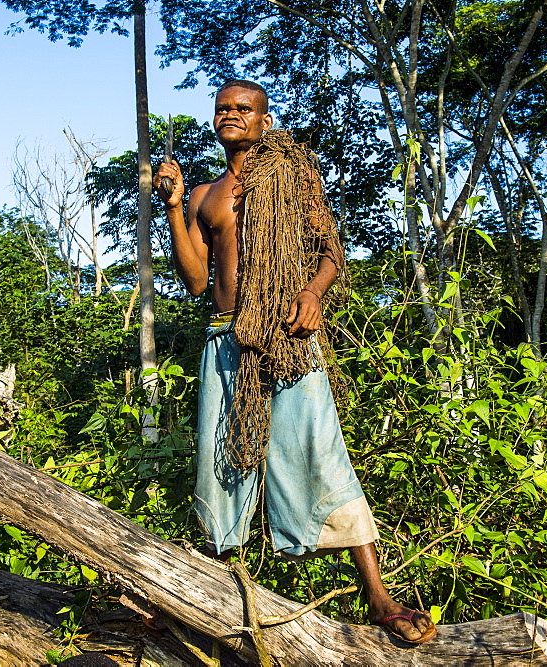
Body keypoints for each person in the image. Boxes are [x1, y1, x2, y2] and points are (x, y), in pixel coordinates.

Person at [152, 79, 436, 644]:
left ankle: (377, 594)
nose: (231, 115)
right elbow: (191, 280)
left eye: (244, 109)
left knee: (319, 449)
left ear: (263, 119)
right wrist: (173, 204)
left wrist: (312, 293)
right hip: (224, 340)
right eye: (223, 109)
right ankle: (213, 599)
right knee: (220, 461)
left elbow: (332, 248)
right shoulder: (207, 193)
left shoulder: (294, 173)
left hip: (287, 335)